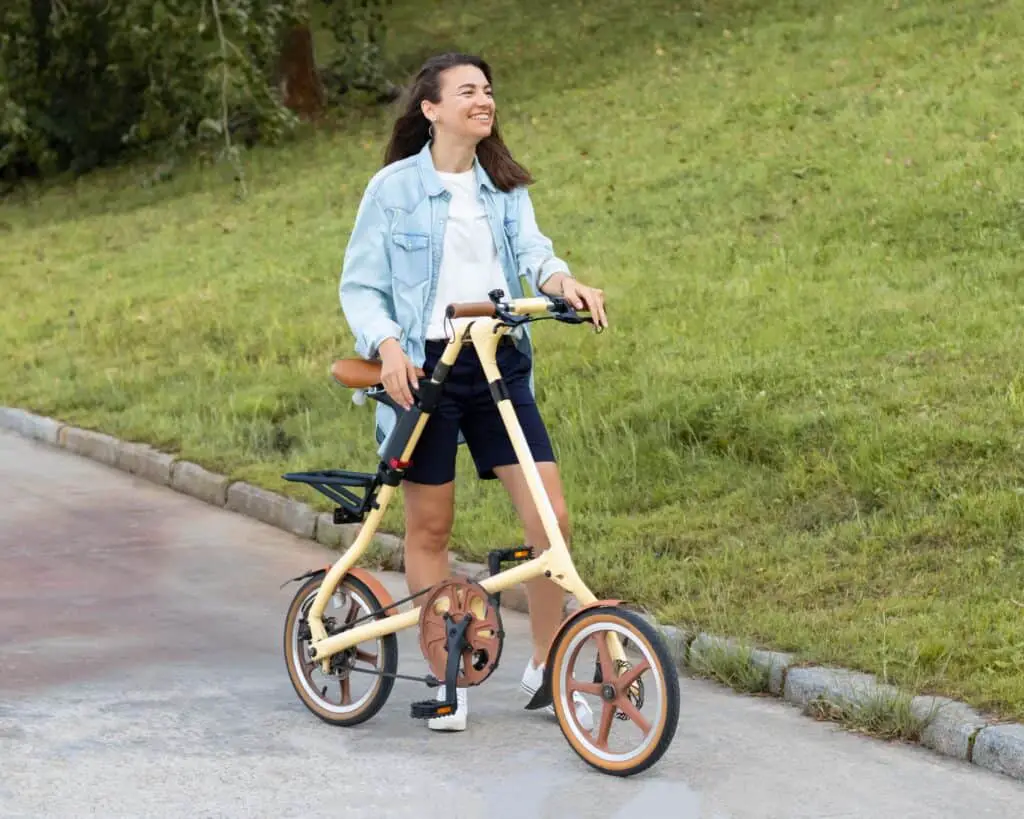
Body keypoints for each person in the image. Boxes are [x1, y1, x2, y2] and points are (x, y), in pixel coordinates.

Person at [338, 52, 609, 732]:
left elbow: (536, 253)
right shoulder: (393, 190)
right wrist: (389, 346)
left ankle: (547, 666)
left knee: (552, 521)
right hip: (425, 368)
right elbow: (362, 287)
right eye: (468, 91)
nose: (484, 99)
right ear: (430, 108)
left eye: (488, 90)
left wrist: (564, 284)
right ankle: (447, 674)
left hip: (497, 362)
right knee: (431, 526)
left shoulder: (503, 184)